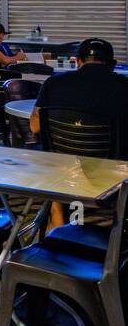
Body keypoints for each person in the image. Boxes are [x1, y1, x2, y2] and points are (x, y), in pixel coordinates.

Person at [30, 38, 128, 225]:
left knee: (56, 158)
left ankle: (57, 213)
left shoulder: (53, 83)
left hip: (65, 170)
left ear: (78, 61)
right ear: (112, 64)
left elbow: (35, 127)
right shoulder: (124, 86)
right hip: (111, 171)